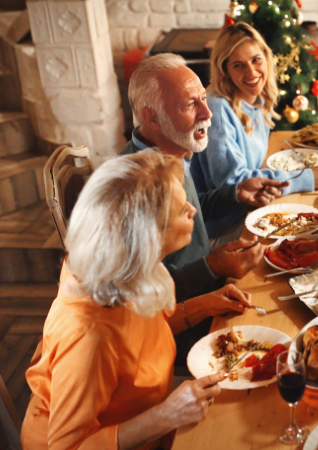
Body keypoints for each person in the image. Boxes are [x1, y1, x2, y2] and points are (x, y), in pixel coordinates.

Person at [22, 151, 253, 449]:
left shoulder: (125, 268)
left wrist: (209, 302)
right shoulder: (89, 335)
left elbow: (143, 335)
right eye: (182, 209)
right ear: (147, 237)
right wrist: (166, 415)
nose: (192, 211)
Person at [121, 53, 280, 361]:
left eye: (204, 99)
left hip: (212, 288)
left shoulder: (173, 150)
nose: (208, 113)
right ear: (150, 116)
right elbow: (142, 300)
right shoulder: (133, 189)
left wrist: (235, 193)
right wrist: (212, 267)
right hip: (179, 332)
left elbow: (187, 212)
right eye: (190, 104)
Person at [190, 22, 318, 237]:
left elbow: (252, 170)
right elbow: (235, 184)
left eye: (256, 60)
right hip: (226, 228)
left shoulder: (257, 99)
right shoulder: (218, 108)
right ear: (225, 70)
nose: (251, 72)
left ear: (266, 58)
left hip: (255, 209)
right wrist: (303, 179)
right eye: (238, 65)